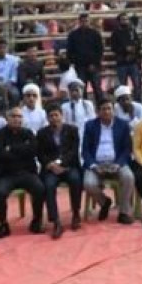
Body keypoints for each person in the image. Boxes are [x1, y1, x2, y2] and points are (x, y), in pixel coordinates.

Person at [0, 106, 46, 237]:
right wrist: (21, 150)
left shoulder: (28, 133)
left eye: (19, 116)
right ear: (7, 118)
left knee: (40, 188)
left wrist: (10, 149)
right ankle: (2, 224)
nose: (16, 119)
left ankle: (37, 221)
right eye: (13, 116)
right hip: (6, 174)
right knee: (0, 192)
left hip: (27, 172)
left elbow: (32, 151)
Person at [81, 99, 136, 225]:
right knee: (88, 183)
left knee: (128, 177)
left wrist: (118, 164)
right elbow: (85, 151)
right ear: (97, 111)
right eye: (103, 109)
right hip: (97, 164)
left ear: (113, 110)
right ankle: (104, 202)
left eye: (109, 108)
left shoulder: (122, 125)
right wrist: (94, 166)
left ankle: (124, 212)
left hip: (116, 163)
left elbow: (127, 149)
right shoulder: (90, 126)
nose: (106, 111)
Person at [37, 102, 83, 238]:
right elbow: (40, 154)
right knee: (48, 185)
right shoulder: (42, 133)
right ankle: (55, 220)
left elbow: (74, 151)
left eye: (56, 115)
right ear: (47, 118)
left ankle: (76, 213)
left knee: (75, 180)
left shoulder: (72, 130)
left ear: (62, 116)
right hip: (51, 169)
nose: (54, 118)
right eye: (51, 116)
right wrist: (51, 165)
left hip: (69, 166)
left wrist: (61, 163)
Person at [66, 13, 105, 97]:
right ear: (79, 22)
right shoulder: (73, 35)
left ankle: (101, 106)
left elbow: (100, 50)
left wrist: (94, 63)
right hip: (80, 66)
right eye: (82, 21)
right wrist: (75, 62)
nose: (84, 23)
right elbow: (70, 51)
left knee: (97, 89)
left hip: (94, 66)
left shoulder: (95, 34)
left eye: (86, 21)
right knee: (81, 89)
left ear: (89, 21)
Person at [111, 12, 142, 99]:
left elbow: (139, 44)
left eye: (126, 19)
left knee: (137, 84)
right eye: (123, 19)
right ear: (119, 21)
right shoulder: (115, 33)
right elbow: (114, 47)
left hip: (133, 62)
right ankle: (124, 101)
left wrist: (134, 49)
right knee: (123, 86)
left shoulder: (132, 31)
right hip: (122, 62)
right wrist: (125, 49)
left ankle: (138, 101)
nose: (125, 21)